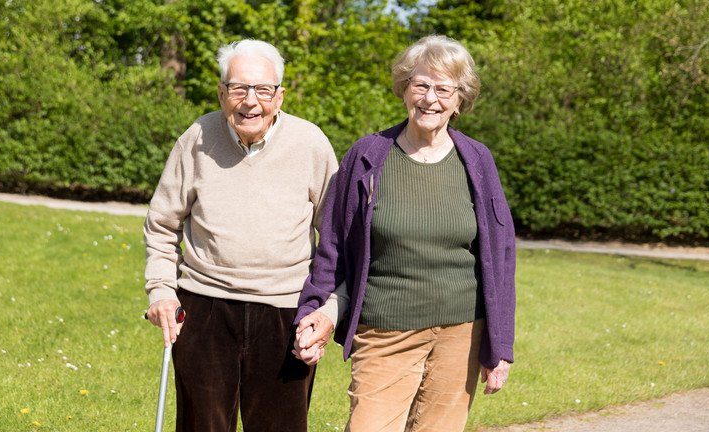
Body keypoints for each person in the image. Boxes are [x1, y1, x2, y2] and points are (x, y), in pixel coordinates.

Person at [293, 35, 516, 431]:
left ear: (460, 99)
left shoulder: (477, 160)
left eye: (443, 88)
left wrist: (499, 345)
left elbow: (499, 256)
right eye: (421, 85)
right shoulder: (367, 155)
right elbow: (333, 246)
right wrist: (314, 309)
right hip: (384, 331)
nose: (430, 98)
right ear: (404, 89)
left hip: (461, 332)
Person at [143, 39, 340, 432]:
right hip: (204, 309)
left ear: (280, 95)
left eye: (263, 89)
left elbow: (337, 241)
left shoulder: (311, 143)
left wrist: (328, 309)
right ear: (221, 93)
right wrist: (162, 290)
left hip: (286, 313)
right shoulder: (196, 138)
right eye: (238, 88)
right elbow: (162, 225)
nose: (251, 101)